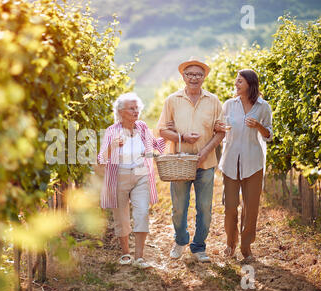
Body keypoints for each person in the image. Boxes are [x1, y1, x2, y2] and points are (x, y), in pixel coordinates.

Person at [157, 57, 225, 263]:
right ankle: (180, 240)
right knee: (179, 207)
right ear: (183, 76)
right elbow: (161, 130)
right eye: (190, 74)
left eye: (198, 74)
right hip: (179, 163)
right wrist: (182, 137)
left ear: (204, 77)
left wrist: (204, 152)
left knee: (204, 208)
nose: (194, 78)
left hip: (205, 164)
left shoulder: (213, 101)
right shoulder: (172, 100)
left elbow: (220, 132)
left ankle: (199, 247)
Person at [98, 92, 166, 269]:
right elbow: (101, 159)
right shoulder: (112, 131)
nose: (136, 111)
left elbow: (157, 145)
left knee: (142, 212)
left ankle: (139, 257)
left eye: (137, 108)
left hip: (141, 173)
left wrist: (172, 134)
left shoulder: (142, 127)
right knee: (121, 216)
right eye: (131, 108)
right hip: (119, 175)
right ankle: (126, 254)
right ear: (121, 112)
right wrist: (112, 146)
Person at [214, 69, 273, 262]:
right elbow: (220, 127)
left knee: (251, 208)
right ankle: (231, 243)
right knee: (230, 207)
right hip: (231, 161)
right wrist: (219, 128)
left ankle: (246, 246)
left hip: (253, 162)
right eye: (236, 81)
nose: (236, 84)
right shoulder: (229, 105)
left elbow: (269, 135)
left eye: (240, 81)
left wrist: (258, 126)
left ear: (250, 83)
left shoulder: (263, 107)